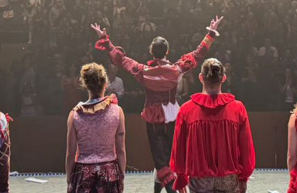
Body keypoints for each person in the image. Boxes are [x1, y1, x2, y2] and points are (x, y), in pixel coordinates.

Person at [91, 16, 223, 193]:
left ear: (152, 52)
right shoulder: (177, 69)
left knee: (161, 161)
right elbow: (198, 54)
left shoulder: (144, 72)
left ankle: (171, 189)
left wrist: (106, 41)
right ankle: (162, 188)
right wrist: (210, 33)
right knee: (169, 158)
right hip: (174, 116)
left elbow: (121, 60)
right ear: (167, 52)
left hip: (154, 119)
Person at [171, 59, 255, 193]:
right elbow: (246, 146)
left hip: (199, 179)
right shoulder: (237, 109)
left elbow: (179, 147)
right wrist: (244, 177)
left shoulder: (186, 110)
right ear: (224, 78)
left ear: (201, 77)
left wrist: (181, 176)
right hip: (229, 177)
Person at [66, 63, 126, 193]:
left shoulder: (74, 115)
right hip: (109, 173)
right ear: (106, 83)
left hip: (82, 174)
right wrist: (121, 175)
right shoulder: (117, 111)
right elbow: (120, 149)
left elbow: (70, 153)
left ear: (85, 85)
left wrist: (69, 180)